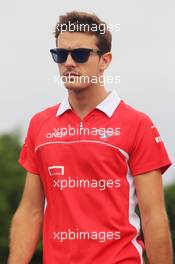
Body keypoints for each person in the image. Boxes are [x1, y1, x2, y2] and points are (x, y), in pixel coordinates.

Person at [8, 11, 173, 264]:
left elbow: (153, 216)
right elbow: (30, 212)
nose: (69, 62)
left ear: (105, 60)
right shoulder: (40, 124)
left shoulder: (137, 124)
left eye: (81, 54)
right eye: (61, 55)